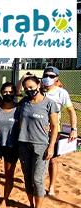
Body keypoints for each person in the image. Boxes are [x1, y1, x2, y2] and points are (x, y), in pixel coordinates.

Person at [18, 76, 59, 208]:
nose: (29, 90)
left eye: (31, 87)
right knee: (27, 177)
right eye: (26, 88)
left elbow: (54, 127)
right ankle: (31, 204)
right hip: (23, 143)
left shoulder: (49, 103)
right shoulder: (24, 102)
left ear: (38, 85)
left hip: (41, 144)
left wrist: (51, 146)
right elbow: (14, 102)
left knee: (37, 178)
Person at [39, 67, 77, 196]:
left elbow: (71, 110)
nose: (48, 78)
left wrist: (74, 129)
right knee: (37, 158)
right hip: (37, 130)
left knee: (53, 159)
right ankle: (37, 183)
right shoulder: (37, 90)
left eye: (51, 76)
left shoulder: (61, 93)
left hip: (53, 131)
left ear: (57, 78)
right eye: (46, 75)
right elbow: (18, 92)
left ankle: (52, 186)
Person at [0, 83, 19, 207]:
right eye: (5, 92)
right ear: (1, 92)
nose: (8, 94)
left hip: (12, 145)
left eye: (11, 92)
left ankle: (5, 199)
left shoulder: (19, 108)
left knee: (9, 174)